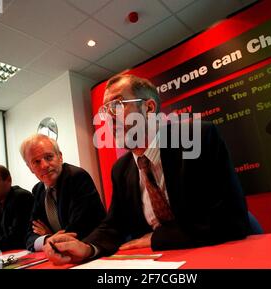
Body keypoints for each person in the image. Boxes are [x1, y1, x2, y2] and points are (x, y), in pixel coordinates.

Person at [45, 74, 251, 265]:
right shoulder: (121, 169)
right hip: (163, 262)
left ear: (149, 108)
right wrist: (87, 248)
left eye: (117, 105)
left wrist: (158, 237)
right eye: (105, 111)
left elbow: (230, 220)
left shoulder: (198, 138)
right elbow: (114, 224)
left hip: (220, 256)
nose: (109, 118)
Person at [20, 134, 106, 252]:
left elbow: (77, 231)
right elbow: (30, 236)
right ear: (30, 167)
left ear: (60, 157)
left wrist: (51, 237)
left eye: (49, 157)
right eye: (36, 162)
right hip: (64, 253)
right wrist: (47, 239)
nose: (44, 165)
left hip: (94, 250)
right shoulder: (38, 190)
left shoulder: (77, 177)